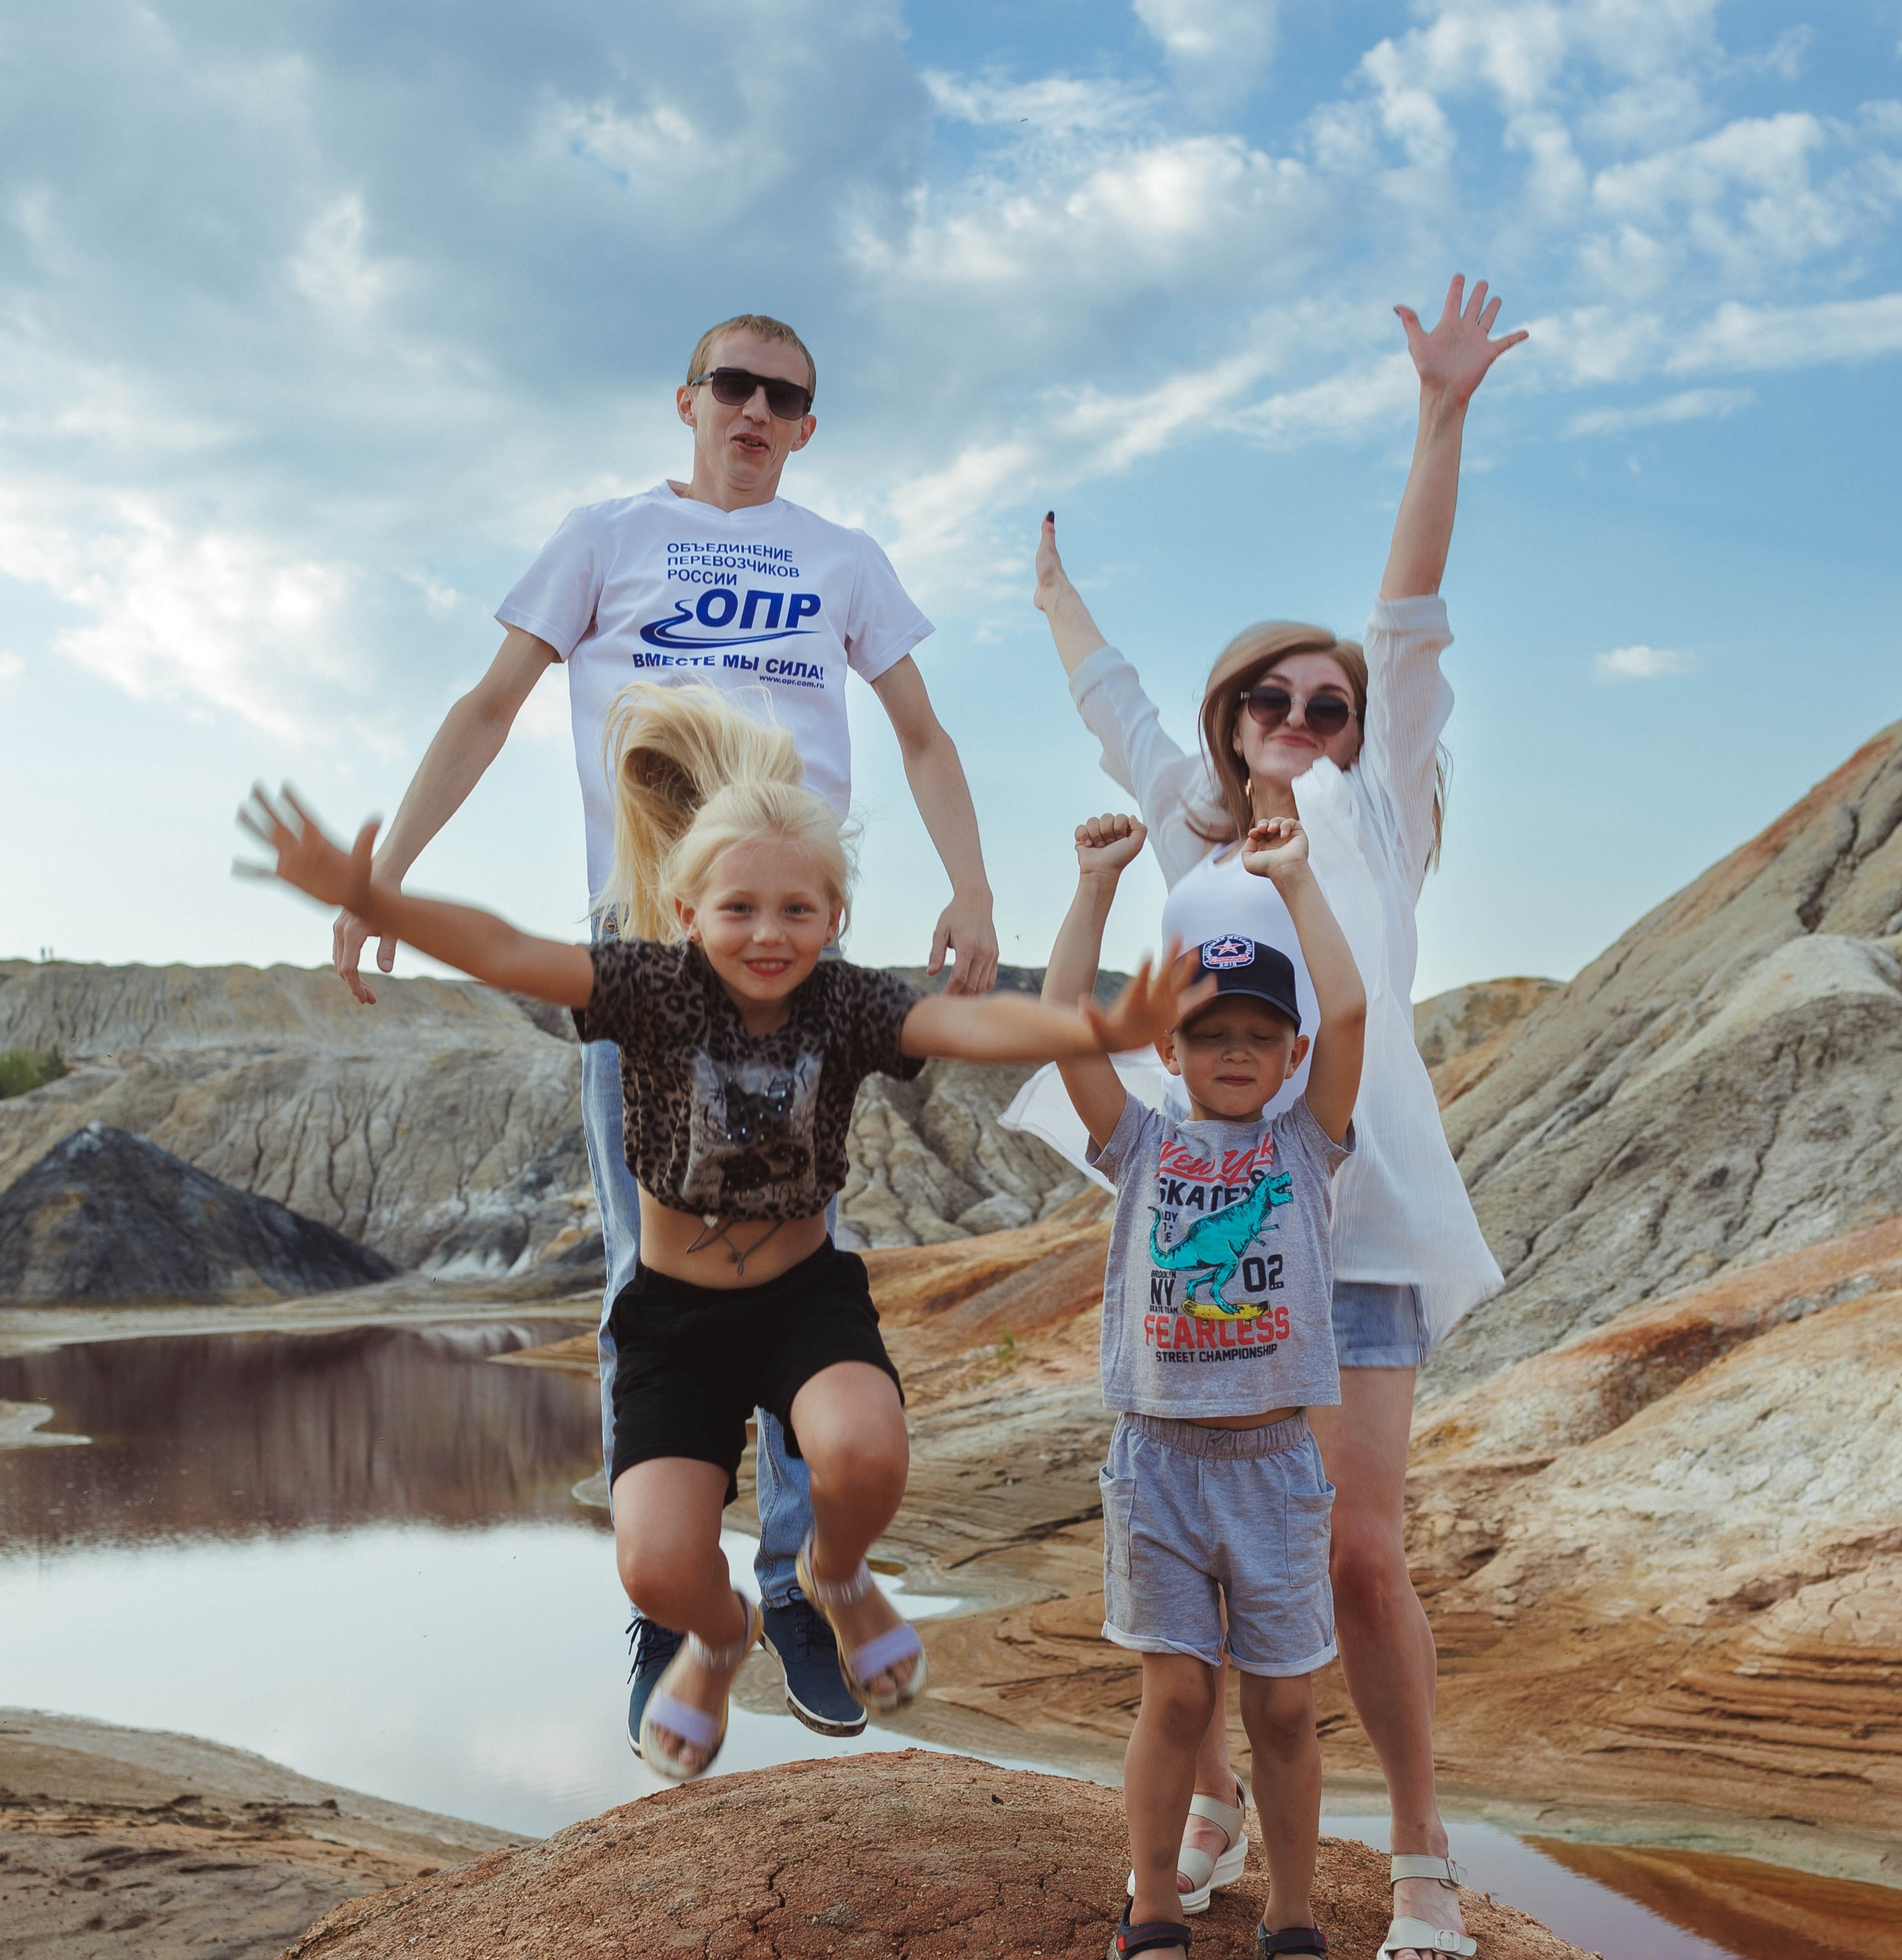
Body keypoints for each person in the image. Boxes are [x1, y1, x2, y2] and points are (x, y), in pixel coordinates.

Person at [240, 686, 1202, 1782]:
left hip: (802, 1303)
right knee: (653, 1565)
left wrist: (1101, 1024)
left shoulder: (844, 1004)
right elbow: (506, 950)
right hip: (675, 1322)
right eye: (739, 909)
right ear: (688, 910)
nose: (768, 934)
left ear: (834, 920)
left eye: (799, 911)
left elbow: (971, 1022)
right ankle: (719, 1631)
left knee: (865, 1448)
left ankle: (835, 1578)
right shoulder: (647, 988)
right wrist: (378, 896)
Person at [327, 313, 1000, 1746]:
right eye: (735, 386)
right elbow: (491, 701)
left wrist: (975, 886)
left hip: (792, 946)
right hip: (646, 957)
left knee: (796, 1247)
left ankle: (807, 1585)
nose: (757, 409)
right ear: (687, 400)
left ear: (808, 426)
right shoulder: (603, 538)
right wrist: (389, 867)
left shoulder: (845, 562)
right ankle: (675, 1592)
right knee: (658, 1265)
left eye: (787, 397)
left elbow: (926, 736)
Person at [1021, 277, 1524, 1960]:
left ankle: (1428, 1869)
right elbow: (1118, 711)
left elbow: (1408, 610)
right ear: (1232, 726)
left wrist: (1438, 418)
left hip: (1358, 1219)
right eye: (1271, 706)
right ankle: (1225, 1799)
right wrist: (1054, 600)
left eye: (1326, 708)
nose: (1301, 727)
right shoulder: (1193, 849)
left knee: (1356, 1555)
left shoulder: (1375, 818)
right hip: (1217, 1242)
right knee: (1226, 1551)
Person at [1044, 809, 1366, 1960]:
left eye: (1258, 1034)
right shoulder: (1140, 1145)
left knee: (1282, 1705)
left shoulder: (1304, 1147)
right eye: (1209, 1032)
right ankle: (1154, 1907)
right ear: (1170, 1050)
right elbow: (1068, 1025)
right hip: (1160, 1464)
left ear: (1289, 1054)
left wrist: (1295, 878)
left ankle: (1293, 1912)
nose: (1235, 1050)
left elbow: (1358, 1014)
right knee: (1178, 1699)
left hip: (1276, 1469)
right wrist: (1093, 889)